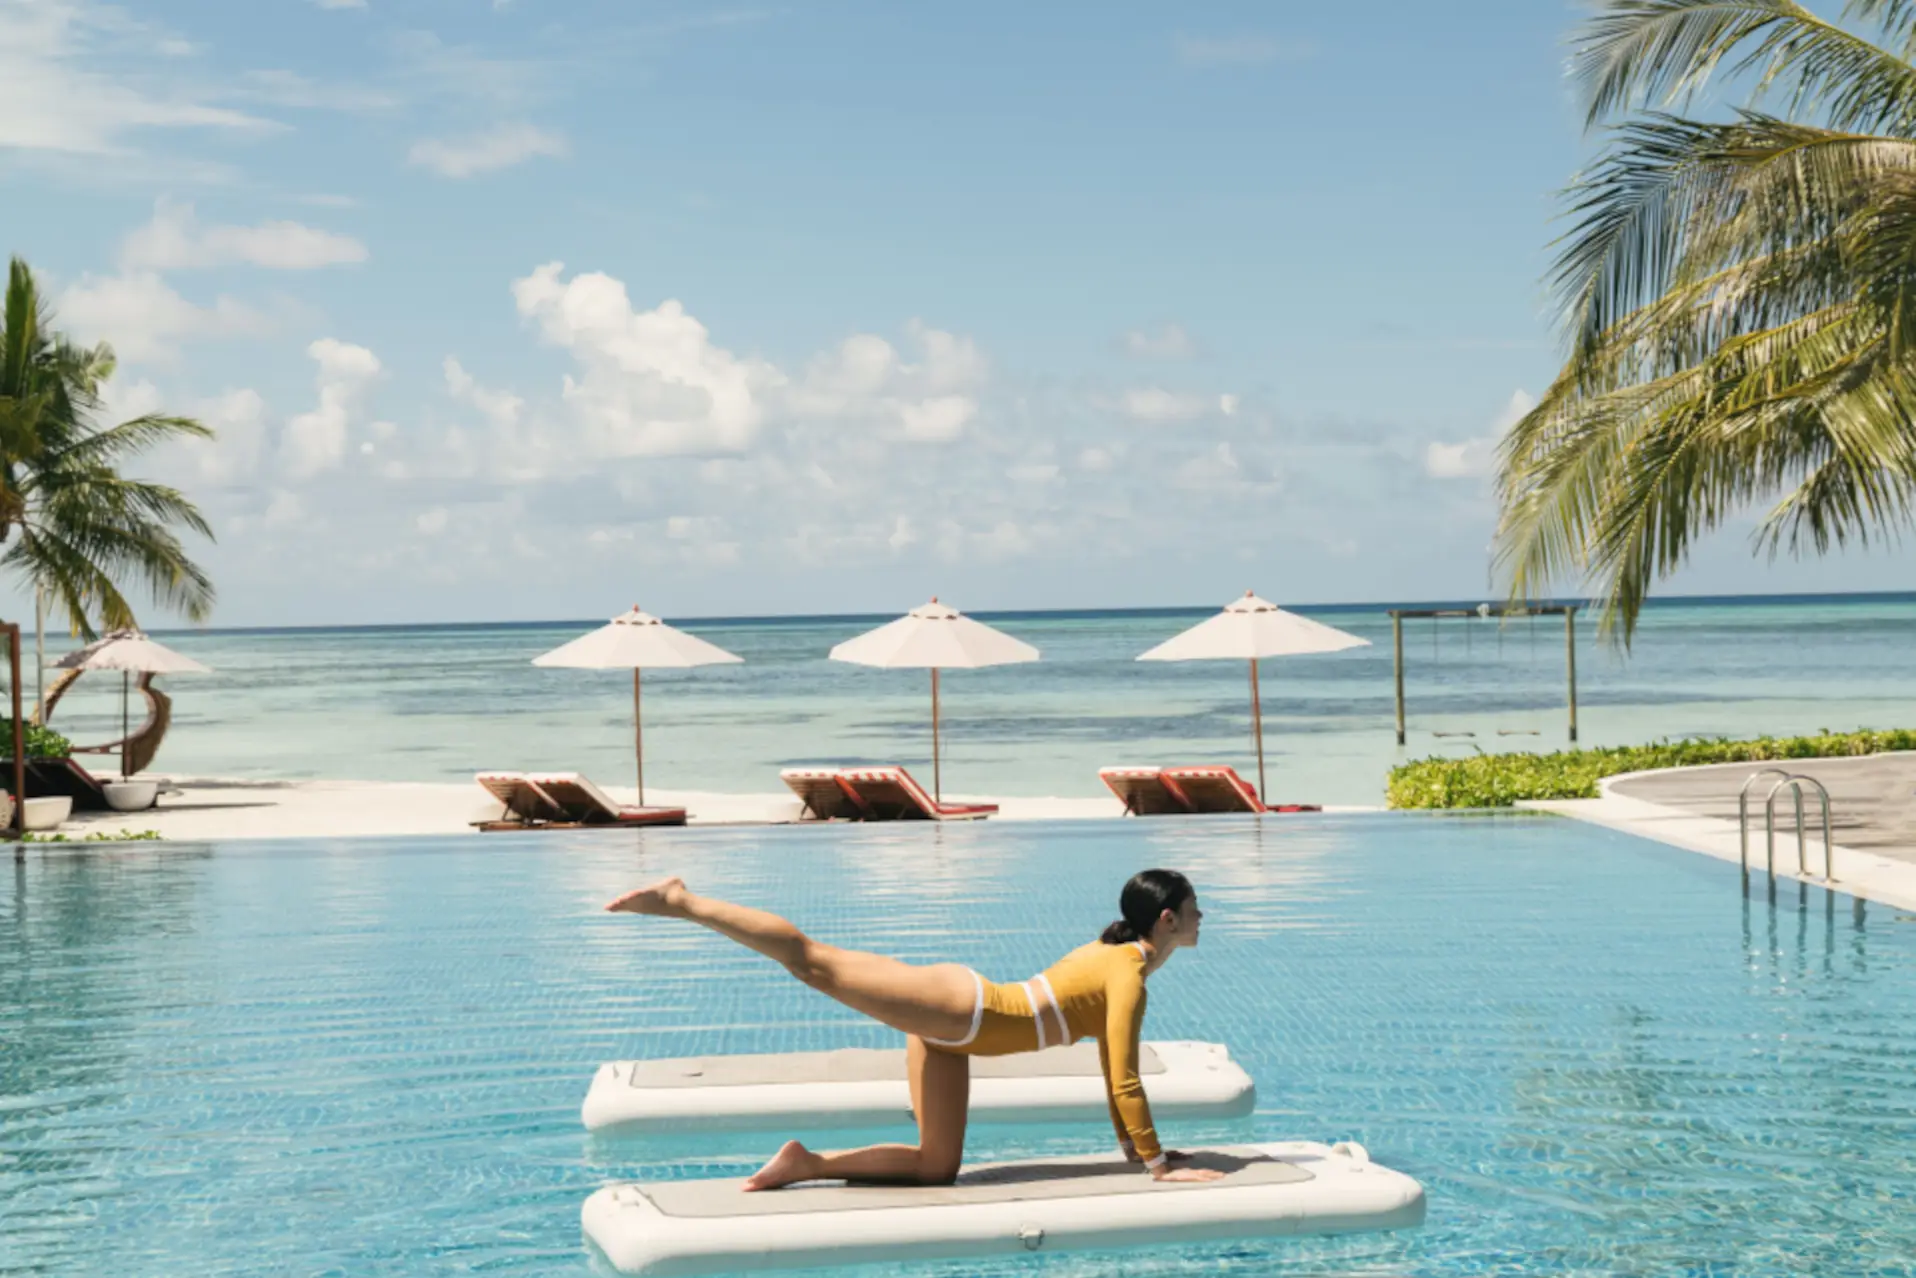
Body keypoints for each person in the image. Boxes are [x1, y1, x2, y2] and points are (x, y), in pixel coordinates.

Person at [604, 867, 1226, 1191]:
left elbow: (1111, 1071)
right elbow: (1126, 1078)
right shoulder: (1126, 972)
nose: (1202, 917)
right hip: (961, 1011)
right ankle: (682, 900)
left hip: (957, 1032)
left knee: (936, 1167)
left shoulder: (1116, 959)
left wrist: (1137, 1151)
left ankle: (804, 1164)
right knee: (812, 963)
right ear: (1167, 920)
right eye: (1195, 909)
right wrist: (1158, 1166)